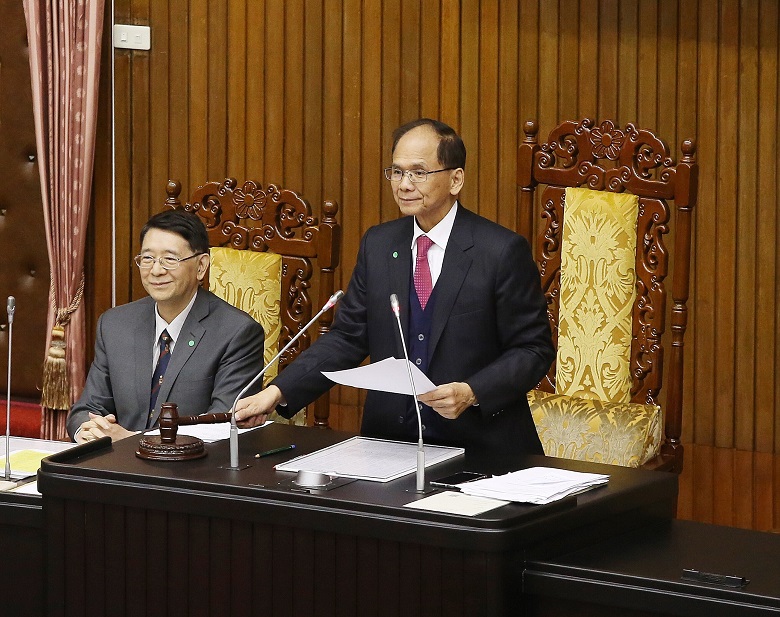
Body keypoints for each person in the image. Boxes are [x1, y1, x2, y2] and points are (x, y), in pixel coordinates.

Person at [234, 118, 555, 456]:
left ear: (455, 179)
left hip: (480, 447)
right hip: (388, 446)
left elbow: (533, 350)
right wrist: (277, 392)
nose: (404, 184)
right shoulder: (379, 244)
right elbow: (347, 338)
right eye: (397, 172)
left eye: (419, 172)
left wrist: (472, 391)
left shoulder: (500, 251)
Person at [67, 209, 265, 443]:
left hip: (190, 476)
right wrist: (88, 431)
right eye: (147, 258)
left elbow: (222, 428)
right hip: (115, 470)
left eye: (170, 259)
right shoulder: (114, 325)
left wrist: (131, 441)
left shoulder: (237, 333)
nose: (156, 270)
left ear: (201, 266)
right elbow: (87, 409)